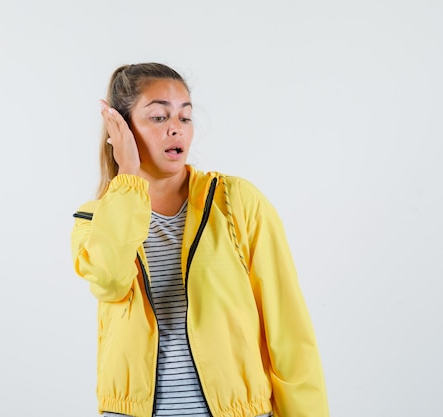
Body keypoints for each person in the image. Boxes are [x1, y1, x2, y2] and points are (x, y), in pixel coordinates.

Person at [71, 63, 329, 417]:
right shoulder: (96, 219)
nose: (176, 128)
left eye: (185, 117)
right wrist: (127, 178)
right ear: (122, 129)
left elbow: (289, 331)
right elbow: (110, 282)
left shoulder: (236, 202)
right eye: (159, 117)